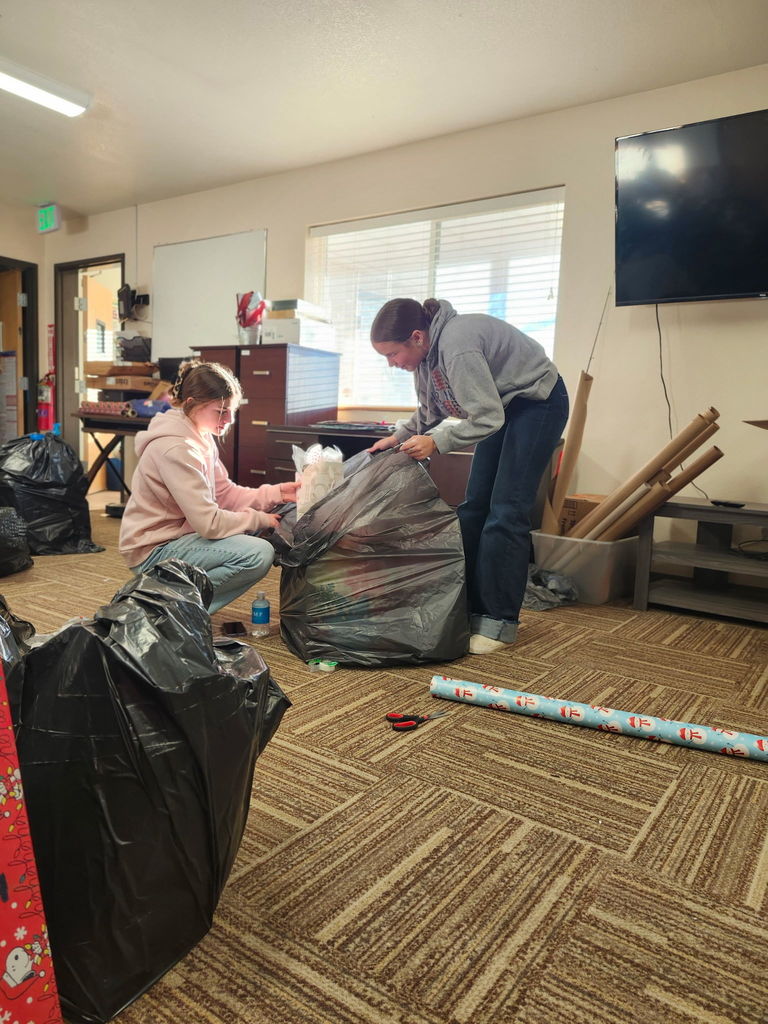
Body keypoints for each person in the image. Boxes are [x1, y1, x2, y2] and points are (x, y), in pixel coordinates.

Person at [369, 298, 569, 655]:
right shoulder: (426, 357)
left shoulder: (456, 346)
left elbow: (487, 417)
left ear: (417, 336)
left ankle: (498, 622)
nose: (391, 364)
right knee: (474, 507)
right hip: (503, 406)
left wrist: (436, 442)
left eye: (393, 354)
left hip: (537, 402)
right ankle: (469, 610)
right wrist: (400, 435)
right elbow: (431, 409)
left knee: (506, 511)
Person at [119, 359, 299, 614]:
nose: (229, 420)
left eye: (232, 411)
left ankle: (173, 602)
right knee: (257, 553)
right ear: (191, 403)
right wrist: (259, 519)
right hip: (154, 549)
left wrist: (278, 492)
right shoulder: (177, 448)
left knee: (249, 532)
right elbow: (209, 524)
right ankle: (164, 609)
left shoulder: (200, 435)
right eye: (221, 411)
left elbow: (225, 493)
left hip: (180, 537)